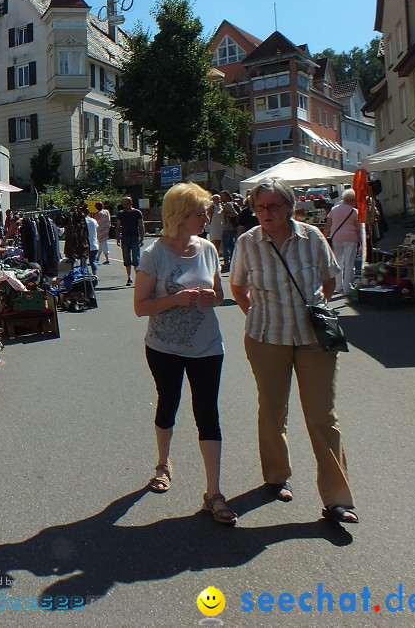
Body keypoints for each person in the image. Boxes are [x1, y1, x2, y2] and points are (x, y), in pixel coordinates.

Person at [229, 178, 357, 524]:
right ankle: (276, 476)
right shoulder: (247, 242)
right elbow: (238, 287)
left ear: (290, 207)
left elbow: (329, 280)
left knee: (322, 415)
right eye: (259, 207)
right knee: (272, 409)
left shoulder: (311, 237)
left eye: (272, 206)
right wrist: (257, 315)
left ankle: (337, 499)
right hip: (267, 338)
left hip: (313, 341)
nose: (265, 214)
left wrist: (314, 312)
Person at [133, 183, 234, 525]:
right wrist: (176, 299)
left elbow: (219, 295)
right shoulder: (154, 254)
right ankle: (163, 464)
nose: (207, 218)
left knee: (207, 412)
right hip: (164, 347)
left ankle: (214, 492)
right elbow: (140, 307)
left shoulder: (207, 249)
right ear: (180, 216)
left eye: (206, 212)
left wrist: (210, 298)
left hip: (207, 345)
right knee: (169, 402)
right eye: (200, 213)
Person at [325, 189, 360, 296]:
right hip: (351, 238)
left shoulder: (334, 209)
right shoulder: (355, 212)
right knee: (349, 264)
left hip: (336, 238)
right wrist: (360, 241)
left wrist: (323, 238)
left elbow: (328, 225)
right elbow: (358, 228)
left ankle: (338, 286)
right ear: (353, 200)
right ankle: (347, 289)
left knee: (338, 262)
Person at [115, 196, 146, 286]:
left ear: (131, 203)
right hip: (124, 237)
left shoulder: (137, 212)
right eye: (123, 204)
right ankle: (129, 278)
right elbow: (118, 226)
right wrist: (118, 238)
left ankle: (138, 279)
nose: (125, 206)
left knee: (136, 259)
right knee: (126, 259)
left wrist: (142, 238)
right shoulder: (121, 213)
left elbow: (141, 225)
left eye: (127, 204)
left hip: (135, 237)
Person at [219, 191, 239, 271]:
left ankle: (227, 264)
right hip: (230, 229)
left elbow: (235, 214)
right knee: (231, 247)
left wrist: (225, 214)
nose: (221, 198)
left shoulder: (228, 204)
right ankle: (232, 263)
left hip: (227, 229)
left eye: (223, 196)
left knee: (226, 248)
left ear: (227, 196)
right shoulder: (228, 204)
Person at [84, 206, 99, 276]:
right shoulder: (93, 220)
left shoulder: (83, 221)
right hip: (94, 243)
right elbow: (97, 228)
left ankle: (86, 275)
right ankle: (95, 275)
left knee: (84, 261)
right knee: (93, 261)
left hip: (85, 244)